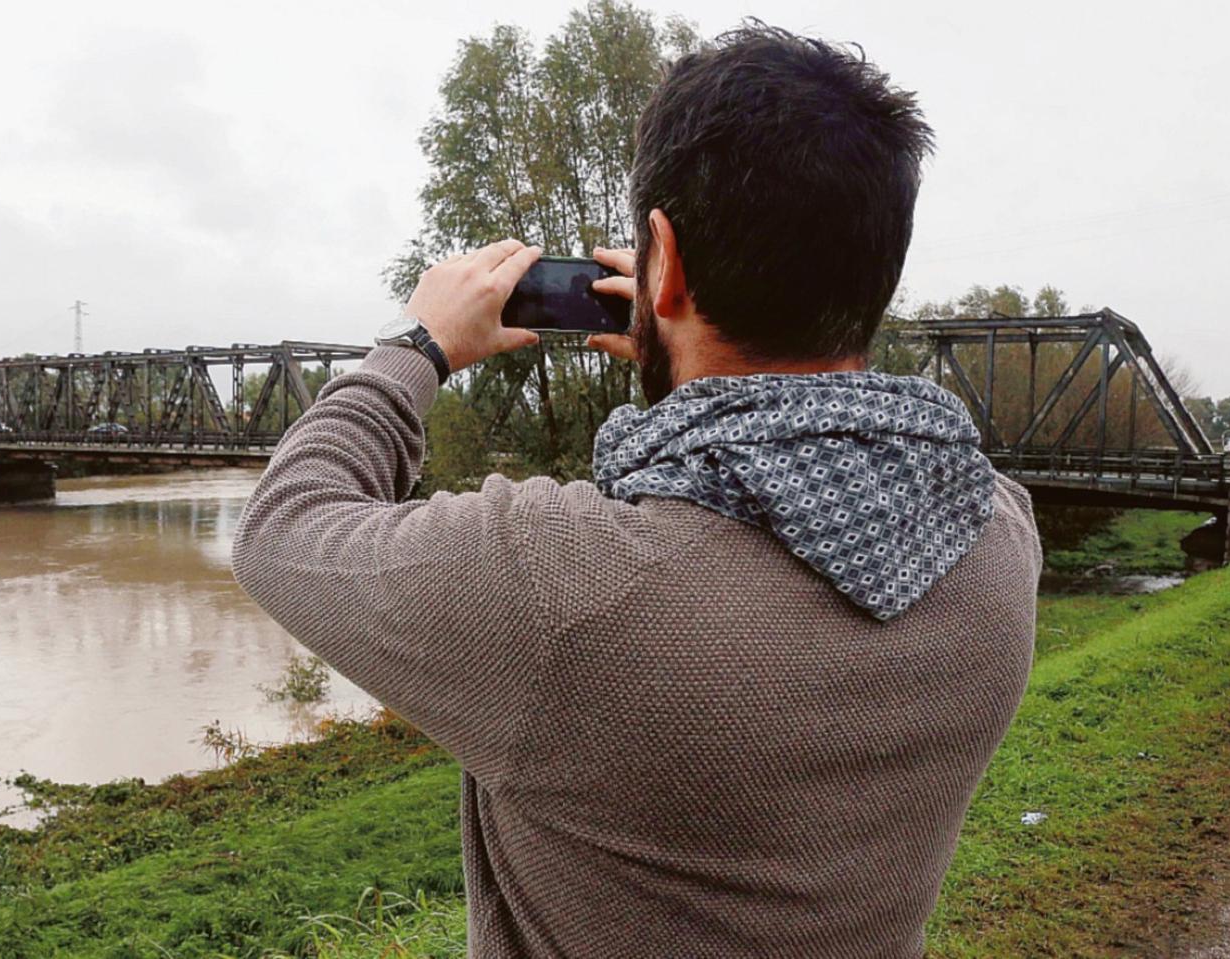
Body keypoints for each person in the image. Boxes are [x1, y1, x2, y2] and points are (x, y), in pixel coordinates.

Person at [233, 24, 1039, 959]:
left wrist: (418, 346)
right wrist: (686, 354)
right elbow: (829, 438)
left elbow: (284, 526)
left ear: (663, 255)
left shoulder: (567, 589)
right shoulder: (996, 537)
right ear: (878, 268)